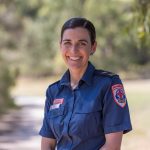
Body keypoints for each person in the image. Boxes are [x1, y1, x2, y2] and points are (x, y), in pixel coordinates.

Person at [39, 17, 132, 150]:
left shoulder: (108, 84)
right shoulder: (53, 91)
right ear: (60, 46)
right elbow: (48, 143)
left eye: (82, 43)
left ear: (93, 47)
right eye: (67, 43)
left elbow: (112, 146)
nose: (73, 50)